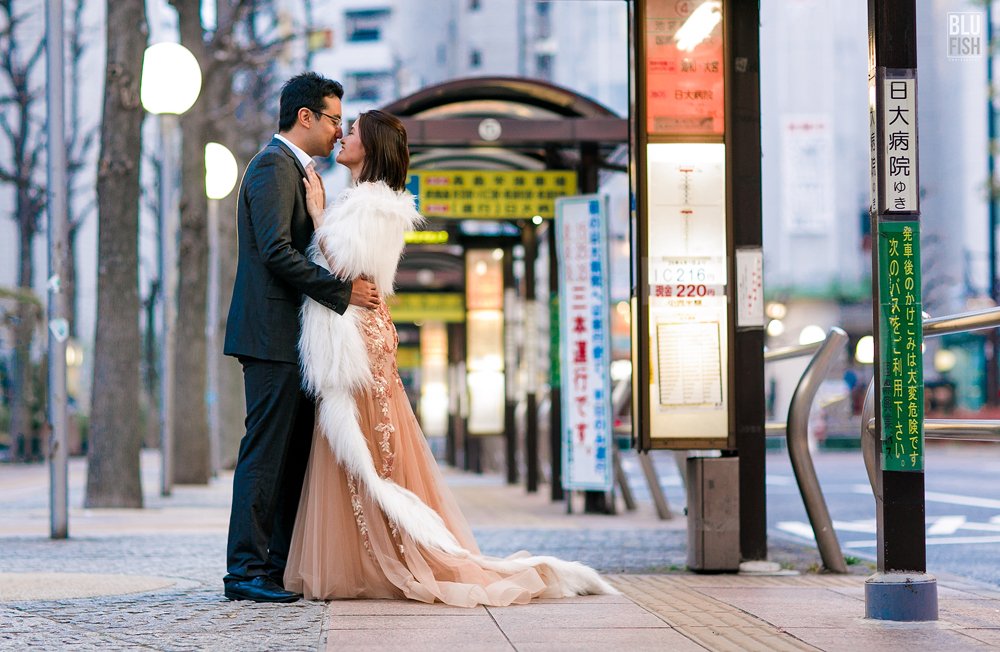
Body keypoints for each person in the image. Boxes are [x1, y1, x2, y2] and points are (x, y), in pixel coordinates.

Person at [283, 110, 616, 606]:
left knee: (370, 447)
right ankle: (368, 554)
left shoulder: (373, 205)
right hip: (358, 337)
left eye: (352, 131)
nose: (343, 136)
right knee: (364, 446)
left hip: (360, 340)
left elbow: (343, 275)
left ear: (370, 147)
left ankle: (382, 555)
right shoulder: (369, 202)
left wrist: (316, 216)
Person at [222, 72, 380, 604]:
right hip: (269, 336)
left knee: (290, 457)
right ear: (306, 117)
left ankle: (272, 567)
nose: (340, 131)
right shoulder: (272, 166)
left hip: (291, 339)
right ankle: (244, 572)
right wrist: (342, 292)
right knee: (266, 454)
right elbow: (276, 251)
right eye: (336, 118)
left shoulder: (299, 171)